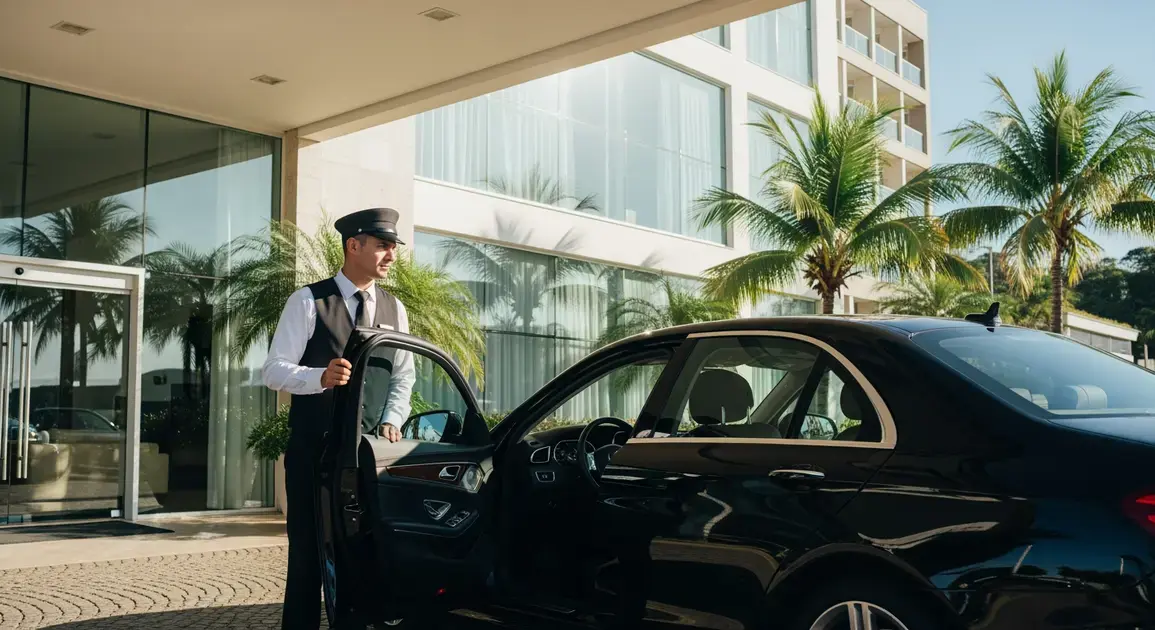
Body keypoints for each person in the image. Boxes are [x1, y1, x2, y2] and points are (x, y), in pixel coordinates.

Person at [262, 207, 415, 629]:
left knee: (365, 550)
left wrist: (393, 418)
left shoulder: (394, 307)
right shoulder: (308, 300)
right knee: (309, 555)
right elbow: (273, 370)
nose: (391, 255)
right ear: (354, 245)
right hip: (314, 449)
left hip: (367, 455)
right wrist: (320, 377)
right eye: (383, 245)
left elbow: (404, 374)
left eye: (393, 247)